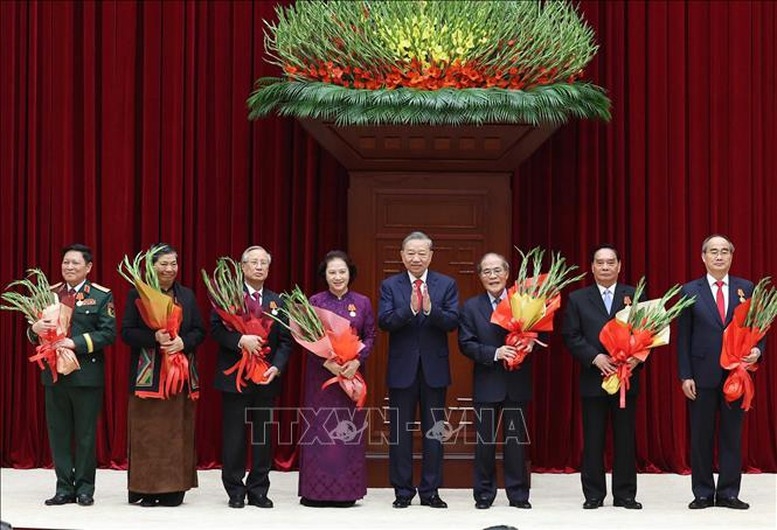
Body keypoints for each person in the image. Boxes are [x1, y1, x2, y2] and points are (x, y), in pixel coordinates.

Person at [677, 234, 763, 510]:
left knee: (731, 435)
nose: (719, 256)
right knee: (701, 435)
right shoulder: (690, 290)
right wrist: (685, 374)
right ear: (703, 256)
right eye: (713, 251)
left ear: (731, 256)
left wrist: (757, 351)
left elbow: (759, 328)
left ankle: (728, 492)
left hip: (736, 374)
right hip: (701, 375)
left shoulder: (746, 288)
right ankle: (702, 492)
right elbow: (683, 337)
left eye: (724, 251)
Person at [28, 243, 116, 506]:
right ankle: (64, 487)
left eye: (75, 263)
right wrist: (35, 327)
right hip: (54, 375)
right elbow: (33, 334)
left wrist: (75, 343)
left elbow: (108, 333)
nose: (69, 267)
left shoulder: (100, 296)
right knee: (59, 433)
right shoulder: (49, 294)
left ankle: (85, 488)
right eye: (66, 262)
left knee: (86, 434)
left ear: (88, 267)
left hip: (86, 375)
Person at [378, 231, 459, 509]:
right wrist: (410, 310)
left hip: (434, 370)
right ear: (402, 255)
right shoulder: (390, 285)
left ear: (431, 256)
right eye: (410, 253)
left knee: (434, 433)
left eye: (421, 253)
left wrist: (430, 309)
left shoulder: (446, 284)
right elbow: (385, 321)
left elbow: (451, 321)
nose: (416, 258)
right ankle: (402, 491)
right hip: (402, 371)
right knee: (400, 433)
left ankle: (430, 491)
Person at [120, 244, 206, 507]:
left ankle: (174, 490)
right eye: (163, 264)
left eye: (173, 264)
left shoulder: (187, 296)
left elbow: (199, 332)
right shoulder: (138, 293)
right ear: (151, 267)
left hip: (179, 377)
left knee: (176, 433)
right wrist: (153, 337)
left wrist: (184, 343)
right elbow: (126, 332)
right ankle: (146, 489)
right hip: (149, 377)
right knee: (148, 433)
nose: (169, 269)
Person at [211, 245, 292, 509]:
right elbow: (215, 331)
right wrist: (240, 340)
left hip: (265, 378)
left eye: (263, 263)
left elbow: (286, 341)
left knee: (262, 436)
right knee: (234, 436)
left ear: (269, 269)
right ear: (243, 267)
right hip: (236, 377)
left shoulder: (278, 301)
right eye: (253, 262)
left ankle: (258, 488)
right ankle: (235, 489)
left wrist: (276, 367)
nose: (258, 267)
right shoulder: (227, 296)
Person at [561, 244, 642, 510]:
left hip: (625, 378)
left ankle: (625, 494)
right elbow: (571, 335)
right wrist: (594, 358)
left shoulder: (634, 295)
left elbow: (647, 332)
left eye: (610, 262)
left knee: (625, 439)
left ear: (619, 265)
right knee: (593, 439)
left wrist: (634, 356)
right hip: (593, 378)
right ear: (592, 267)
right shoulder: (578, 298)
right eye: (600, 262)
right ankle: (593, 494)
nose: (605, 267)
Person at [299, 250, 376, 507]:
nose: (337, 276)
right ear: (325, 275)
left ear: (349, 273)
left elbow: (370, 336)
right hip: (322, 378)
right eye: (332, 272)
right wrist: (328, 363)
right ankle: (315, 492)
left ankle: (346, 492)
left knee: (346, 432)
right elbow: (308, 340)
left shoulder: (362, 302)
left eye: (342, 271)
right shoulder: (315, 301)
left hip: (350, 378)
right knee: (320, 432)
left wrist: (356, 362)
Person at [458, 252, 532, 509]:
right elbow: (465, 344)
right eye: (487, 272)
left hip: (516, 382)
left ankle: (518, 495)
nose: (493, 276)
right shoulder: (470, 307)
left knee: (515, 444)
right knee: (484, 444)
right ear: (480, 277)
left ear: (507, 273)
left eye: (497, 270)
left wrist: (530, 344)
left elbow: (538, 334)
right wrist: (495, 353)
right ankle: (484, 495)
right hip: (487, 382)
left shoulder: (523, 303)